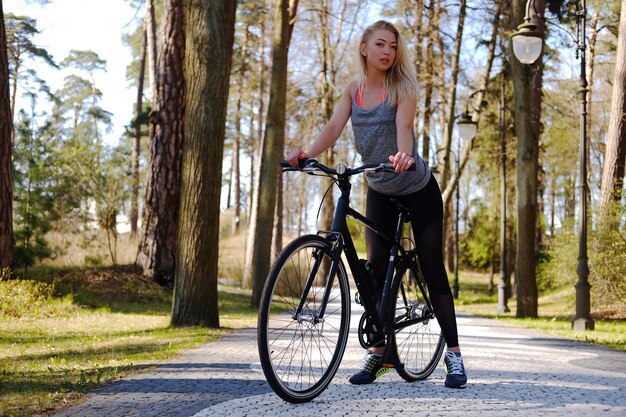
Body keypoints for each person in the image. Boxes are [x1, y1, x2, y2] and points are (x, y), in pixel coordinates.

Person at [286, 20, 467, 389]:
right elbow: (335, 126)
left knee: (432, 265)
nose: (388, 51)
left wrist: (404, 154)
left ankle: (454, 354)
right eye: (381, 44)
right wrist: (307, 153)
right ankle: (380, 353)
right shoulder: (353, 89)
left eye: (393, 46)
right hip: (380, 186)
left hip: (416, 186)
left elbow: (404, 127)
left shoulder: (404, 87)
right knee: (374, 267)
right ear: (364, 48)